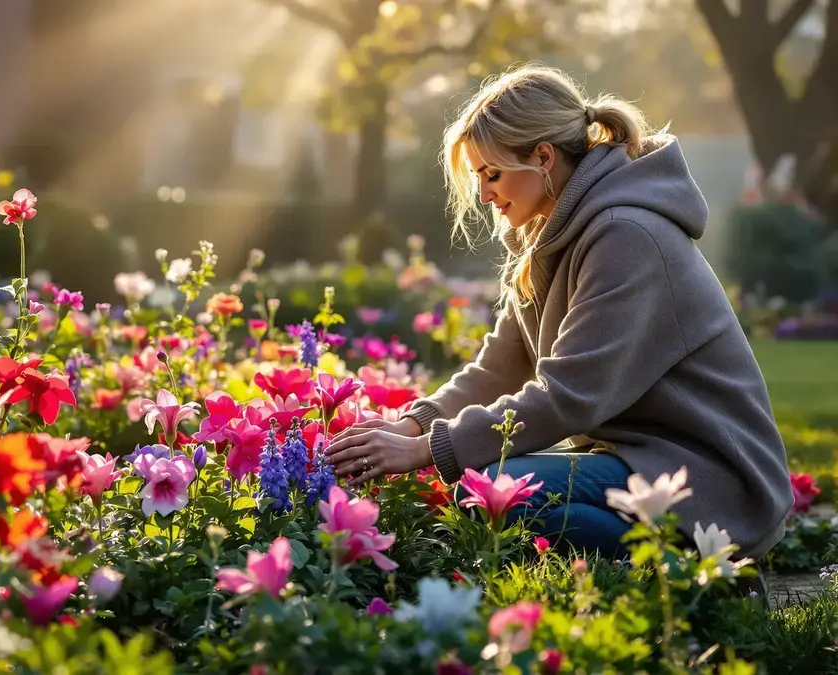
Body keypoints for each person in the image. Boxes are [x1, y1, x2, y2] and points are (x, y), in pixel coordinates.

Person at [323, 64, 792, 570]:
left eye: (492, 174)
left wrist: (429, 451)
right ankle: (664, 567)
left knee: (494, 496)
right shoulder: (547, 237)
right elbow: (497, 369)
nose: (484, 195)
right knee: (486, 493)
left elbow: (570, 396)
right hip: (635, 461)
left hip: (710, 478)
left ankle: (697, 575)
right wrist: (413, 426)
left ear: (543, 157)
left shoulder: (627, 235)